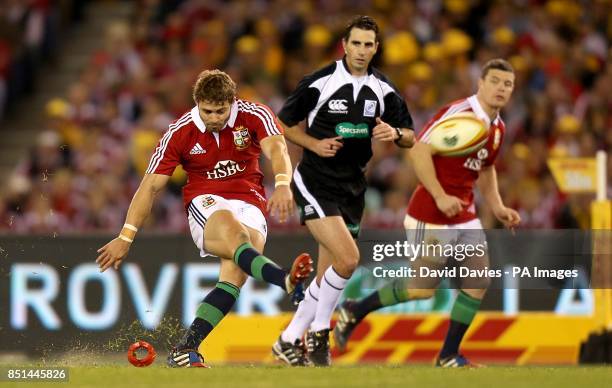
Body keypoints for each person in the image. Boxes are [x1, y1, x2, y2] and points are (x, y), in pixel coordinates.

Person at [95, 69, 313, 368]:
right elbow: (150, 186)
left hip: (250, 200)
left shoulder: (254, 114)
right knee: (236, 236)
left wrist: (284, 183)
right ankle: (284, 279)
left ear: (232, 102)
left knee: (235, 275)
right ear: (197, 102)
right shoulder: (180, 132)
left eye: (220, 111)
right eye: (207, 110)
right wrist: (125, 236)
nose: (213, 117)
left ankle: (185, 349)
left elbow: (276, 148)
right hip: (206, 202)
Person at [333, 58, 521, 367]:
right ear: (481, 83)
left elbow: (486, 168)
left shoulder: (498, 127)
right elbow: (419, 150)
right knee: (421, 289)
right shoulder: (459, 113)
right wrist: (440, 194)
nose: (501, 88)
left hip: (464, 212)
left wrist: (497, 206)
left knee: (478, 280)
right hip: (431, 210)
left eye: (508, 84)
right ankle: (356, 309)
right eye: (496, 81)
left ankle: (448, 355)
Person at [271, 16, 415, 366]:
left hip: (353, 185)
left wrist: (394, 135)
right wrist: (314, 144)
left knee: (328, 272)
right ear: (344, 45)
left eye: (369, 45)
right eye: (356, 43)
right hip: (315, 179)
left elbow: (411, 135)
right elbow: (281, 122)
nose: (362, 51)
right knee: (349, 260)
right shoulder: (320, 82)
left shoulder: (384, 90)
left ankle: (288, 340)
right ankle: (320, 335)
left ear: (376, 48)